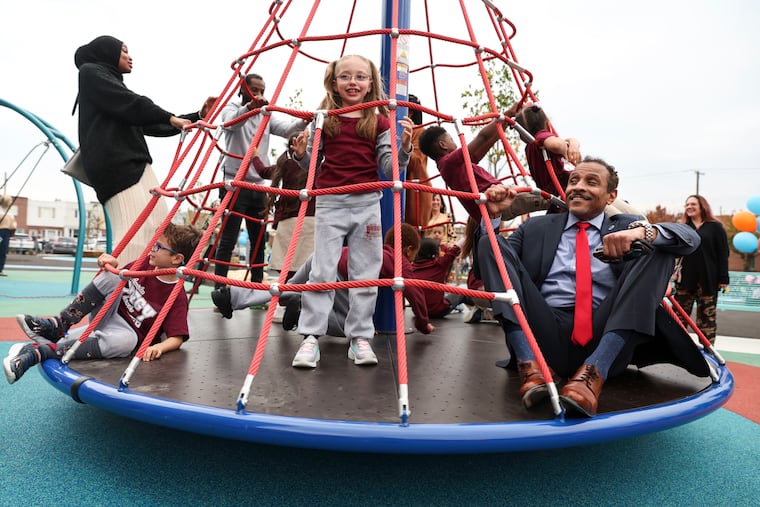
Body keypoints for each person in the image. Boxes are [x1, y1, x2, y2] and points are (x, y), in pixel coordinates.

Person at [476, 158, 708, 417]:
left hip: (605, 332)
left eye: (591, 182)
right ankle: (529, 365)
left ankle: (593, 374)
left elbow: (690, 237)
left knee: (659, 252)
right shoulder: (536, 227)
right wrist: (492, 217)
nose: (578, 187)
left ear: (611, 196)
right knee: (491, 244)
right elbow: (489, 267)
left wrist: (643, 233)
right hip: (543, 330)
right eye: (573, 181)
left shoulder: (625, 225)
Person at [288, 54, 414, 368]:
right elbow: (313, 165)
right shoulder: (324, 117)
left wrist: (405, 149)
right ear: (333, 82)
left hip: (367, 204)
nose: (353, 83)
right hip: (331, 203)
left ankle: (359, 338)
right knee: (322, 271)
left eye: (360, 77)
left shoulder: (379, 120)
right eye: (345, 77)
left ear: (371, 83)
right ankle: (310, 338)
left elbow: (388, 167)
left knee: (366, 273)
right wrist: (301, 156)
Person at [4, 223, 202, 384]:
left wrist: (160, 348)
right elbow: (115, 281)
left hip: (127, 333)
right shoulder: (143, 265)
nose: (152, 249)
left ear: (177, 259)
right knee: (112, 276)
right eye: (153, 244)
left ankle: (40, 352)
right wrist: (111, 264)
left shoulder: (176, 296)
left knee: (127, 342)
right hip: (108, 314)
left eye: (158, 247)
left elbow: (177, 337)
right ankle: (60, 324)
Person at [74, 35, 214, 262]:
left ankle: (142, 288)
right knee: (134, 235)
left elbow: (147, 120)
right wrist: (169, 118)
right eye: (124, 51)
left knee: (159, 229)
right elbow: (133, 103)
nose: (130, 57)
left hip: (134, 163)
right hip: (116, 166)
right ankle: (118, 289)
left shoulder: (114, 89)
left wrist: (195, 117)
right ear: (108, 53)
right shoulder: (91, 72)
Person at [211, 223, 433, 340]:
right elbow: (414, 291)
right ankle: (303, 311)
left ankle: (232, 296)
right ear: (408, 249)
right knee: (351, 328)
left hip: (321, 257)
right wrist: (424, 323)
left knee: (285, 288)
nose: (412, 261)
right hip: (340, 273)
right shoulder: (399, 259)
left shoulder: (377, 249)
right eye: (413, 256)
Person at [213, 73, 306, 287]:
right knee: (229, 237)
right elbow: (230, 123)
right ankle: (219, 286)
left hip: (258, 185)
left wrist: (302, 121)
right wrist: (250, 107)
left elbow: (286, 130)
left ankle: (256, 286)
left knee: (258, 240)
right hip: (234, 183)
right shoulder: (232, 108)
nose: (259, 95)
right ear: (243, 90)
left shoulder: (265, 114)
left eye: (262, 90)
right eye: (254, 90)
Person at [251, 140, 316, 282]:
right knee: (307, 266)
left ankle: (288, 293)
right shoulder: (316, 164)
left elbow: (263, 171)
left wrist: (255, 157)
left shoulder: (286, 164)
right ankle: (297, 296)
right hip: (311, 219)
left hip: (289, 220)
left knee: (286, 267)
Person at [674, 195, 730, 344]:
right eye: (687, 205)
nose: (689, 207)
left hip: (708, 280)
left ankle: (709, 353)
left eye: (693, 204)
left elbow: (723, 253)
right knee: (678, 318)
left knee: (707, 320)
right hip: (685, 281)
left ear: (702, 206)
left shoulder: (715, 227)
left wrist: (723, 279)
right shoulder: (683, 228)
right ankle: (676, 349)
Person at [509, 102, 581, 198]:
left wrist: (573, 145)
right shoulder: (541, 136)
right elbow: (556, 145)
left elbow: (570, 140)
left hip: (555, 194)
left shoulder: (531, 147)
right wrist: (566, 149)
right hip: (565, 190)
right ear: (547, 125)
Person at [413, 236, 465, 318]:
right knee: (462, 293)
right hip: (438, 311)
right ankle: (482, 308)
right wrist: (466, 236)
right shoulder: (439, 265)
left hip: (419, 312)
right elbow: (454, 251)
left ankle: (458, 306)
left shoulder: (412, 268)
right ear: (434, 253)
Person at [404, 94, 432, 227]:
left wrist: (404, 144)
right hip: (396, 189)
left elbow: (414, 162)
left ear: (410, 112)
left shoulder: (419, 132)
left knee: (412, 239)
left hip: (414, 192)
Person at [0, 195, 17, 276]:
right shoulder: (1, 211)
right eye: (10, 200)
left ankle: (0, 269)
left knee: (3, 251)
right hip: (1, 231)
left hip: (7, 233)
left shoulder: (10, 213)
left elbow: (13, 225)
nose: (11, 202)